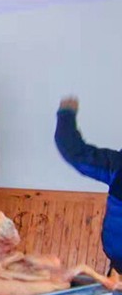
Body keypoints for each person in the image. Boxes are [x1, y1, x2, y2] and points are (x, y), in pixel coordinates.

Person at [55, 97, 122, 273]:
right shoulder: (118, 166)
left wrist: (66, 113)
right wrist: (66, 115)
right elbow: (75, 153)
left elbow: (75, 154)